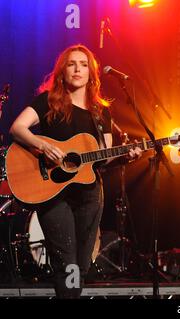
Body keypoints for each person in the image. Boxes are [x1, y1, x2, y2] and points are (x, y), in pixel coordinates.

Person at [9, 44, 142, 298]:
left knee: (81, 263)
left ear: (91, 73)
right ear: (62, 71)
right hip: (52, 193)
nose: (78, 69)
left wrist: (127, 157)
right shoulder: (48, 101)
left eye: (83, 64)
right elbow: (17, 128)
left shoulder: (101, 112)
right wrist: (43, 145)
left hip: (90, 196)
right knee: (66, 262)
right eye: (72, 64)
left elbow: (103, 158)